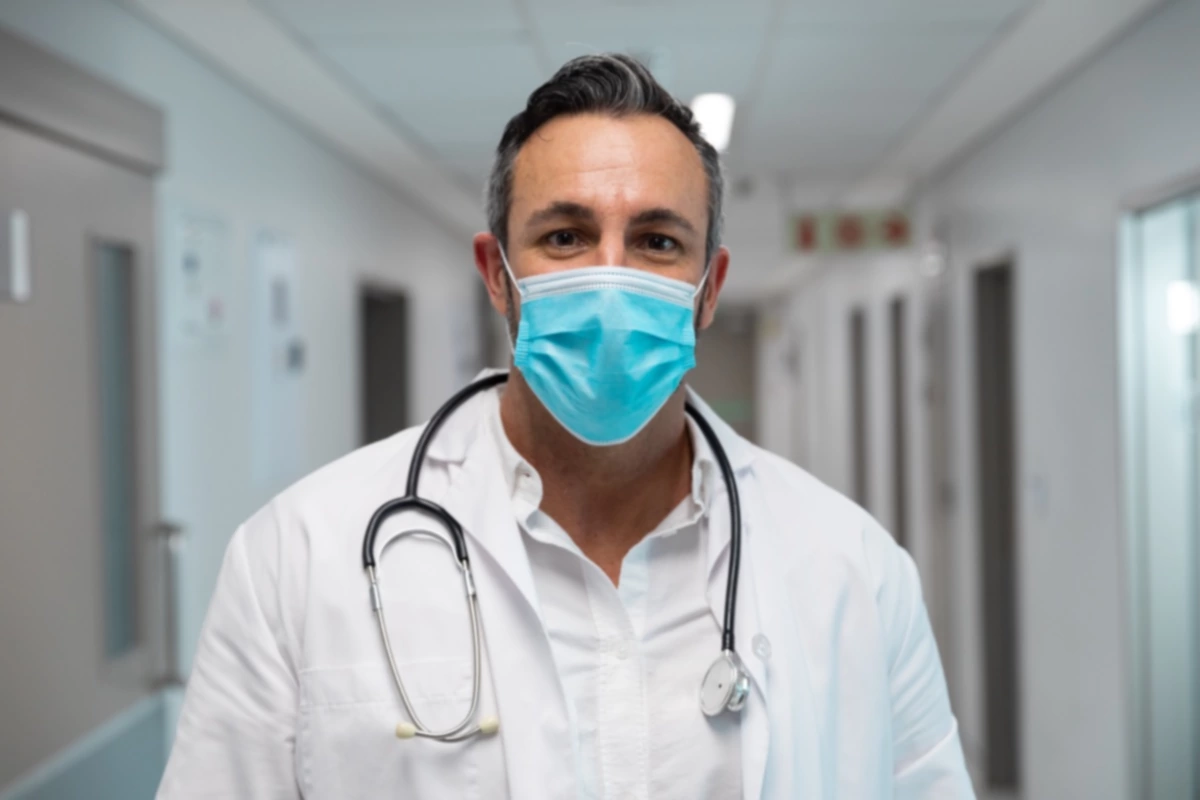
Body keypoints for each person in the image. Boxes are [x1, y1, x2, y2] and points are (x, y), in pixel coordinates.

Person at [158, 54, 972, 799]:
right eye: (565, 236)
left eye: (656, 241)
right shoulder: (296, 558)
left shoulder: (854, 572)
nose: (609, 277)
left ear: (710, 287)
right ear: (497, 275)